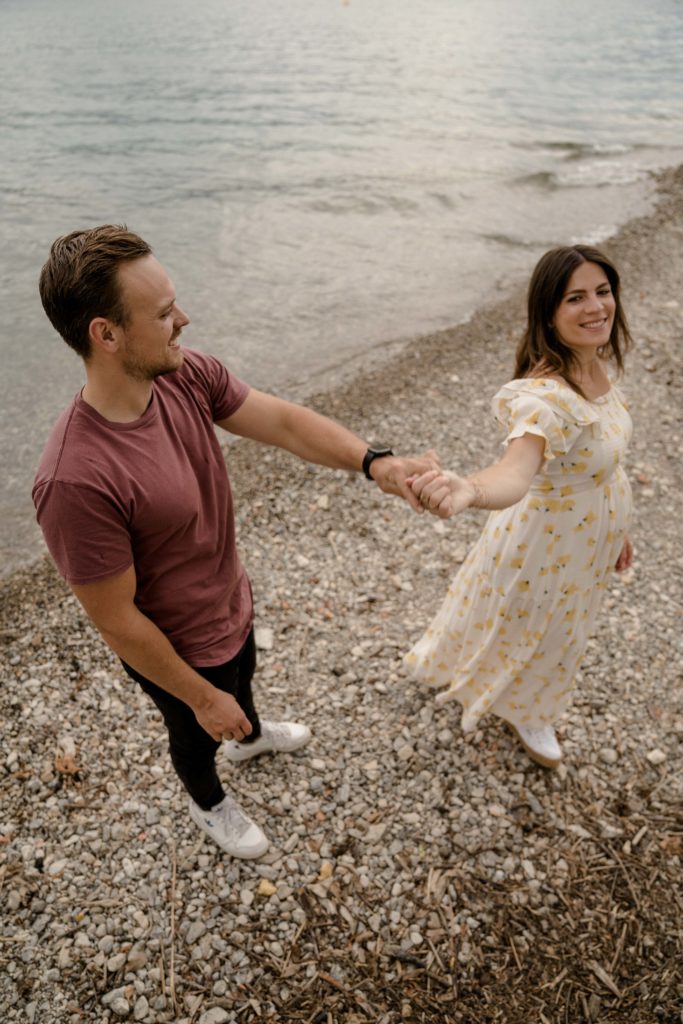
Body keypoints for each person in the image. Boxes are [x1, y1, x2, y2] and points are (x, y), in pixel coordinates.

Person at [33, 225, 438, 858]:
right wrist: (200, 697)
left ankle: (248, 736)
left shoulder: (184, 374)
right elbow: (116, 621)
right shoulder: (75, 480)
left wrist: (374, 462)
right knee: (196, 734)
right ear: (105, 334)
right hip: (176, 647)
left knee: (243, 678)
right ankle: (209, 801)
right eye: (164, 313)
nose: (184, 320)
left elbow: (283, 423)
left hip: (230, 598)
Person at [404, 245, 633, 769]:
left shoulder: (596, 363)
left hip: (591, 535)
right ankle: (530, 710)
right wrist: (469, 489)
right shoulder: (543, 398)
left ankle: (487, 677)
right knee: (547, 629)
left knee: (535, 618)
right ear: (548, 313)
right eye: (575, 298)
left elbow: (604, 465)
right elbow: (515, 470)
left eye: (602, 292)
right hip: (548, 544)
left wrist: (619, 530)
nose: (596, 307)